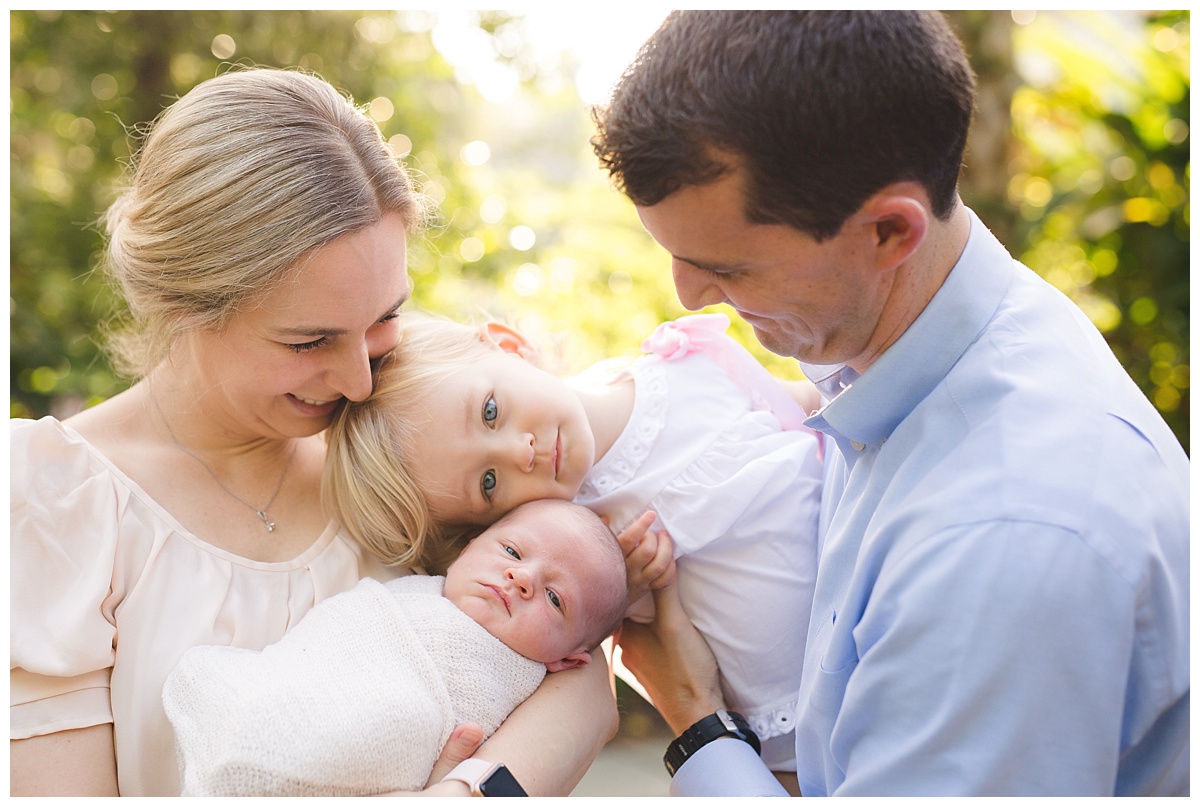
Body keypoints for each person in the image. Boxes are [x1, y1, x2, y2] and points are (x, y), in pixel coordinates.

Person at [589, 9, 1190, 797]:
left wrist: (696, 716)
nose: (690, 295)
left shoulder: (1004, 539)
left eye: (727, 267)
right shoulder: (911, 354)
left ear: (888, 231)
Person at [9, 67, 618, 797]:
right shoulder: (54, 502)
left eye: (385, 317)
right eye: (309, 341)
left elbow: (584, 689)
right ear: (186, 304)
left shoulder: (405, 459)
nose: (360, 380)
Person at [323, 307, 825, 782]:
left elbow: (808, 409)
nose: (521, 451)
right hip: (792, 733)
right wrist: (614, 589)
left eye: (491, 412)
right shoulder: (580, 553)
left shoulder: (682, 364)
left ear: (509, 345)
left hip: (872, 586)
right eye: (489, 483)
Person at [162, 499, 628, 796]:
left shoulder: (526, 683)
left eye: (554, 598)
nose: (523, 578)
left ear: (567, 659)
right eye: (512, 552)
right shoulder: (409, 588)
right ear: (467, 548)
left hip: (393, 732)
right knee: (204, 673)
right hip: (296, 694)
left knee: (405, 717)